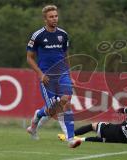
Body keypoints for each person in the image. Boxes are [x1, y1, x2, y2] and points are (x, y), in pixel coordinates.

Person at [26, 4, 81, 148]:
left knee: (65, 102)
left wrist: (70, 75)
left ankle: (71, 139)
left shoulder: (63, 34)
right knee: (52, 109)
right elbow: (29, 58)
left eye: (56, 16)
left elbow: (65, 55)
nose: (54, 19)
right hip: (47, 77)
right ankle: (37, 118)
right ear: (45, 19)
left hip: (62, 74)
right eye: (51, 17)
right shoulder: (37, 35)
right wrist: (40, 74)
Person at [58, 103, 127, 144]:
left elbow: (120, 110)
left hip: (116, 130)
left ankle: (69, 136)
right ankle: (79, 139)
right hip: (123, 141)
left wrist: (125, 115)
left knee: (93, 125)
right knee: (103, 139)